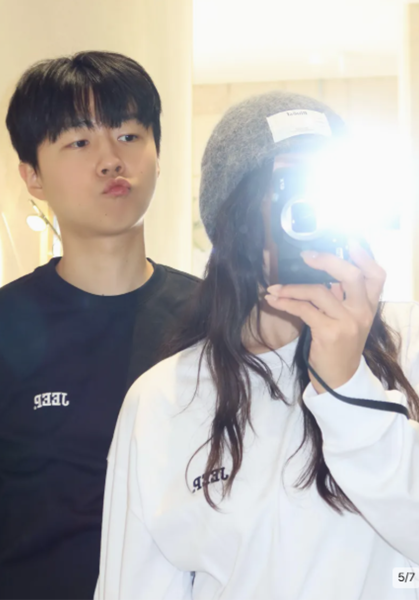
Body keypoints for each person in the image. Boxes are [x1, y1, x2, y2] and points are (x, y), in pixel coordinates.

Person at [96, 91, 419, 600]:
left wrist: (350, 388)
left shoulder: (409, 342)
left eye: (324, 189)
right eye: (288, 189)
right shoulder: (165, 398)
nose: (307, 214)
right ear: (235, 219)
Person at [0, 51, 198, 600]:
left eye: (129, 135)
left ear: (158, 154)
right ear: (33, 176)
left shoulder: (220, 324)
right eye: (79, 141)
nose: (111, 160)